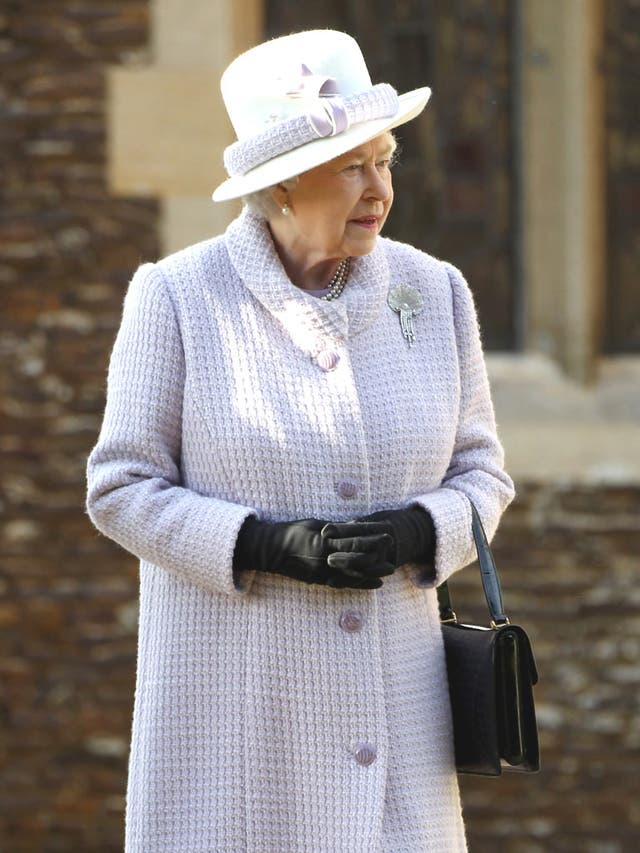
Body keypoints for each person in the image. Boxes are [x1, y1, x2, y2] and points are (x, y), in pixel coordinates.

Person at [86, 29, 514, 852]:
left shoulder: (437, 292)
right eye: (352, 166)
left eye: (384, 160)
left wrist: (418, 532)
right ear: (280, 185)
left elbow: (483, 476)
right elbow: (120, 485)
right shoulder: (177, 298)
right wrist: (264, 543)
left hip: (400, 724)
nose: (378, 188)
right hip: (234, 731)